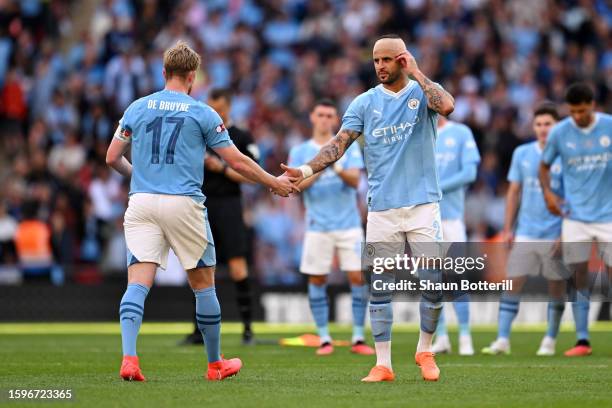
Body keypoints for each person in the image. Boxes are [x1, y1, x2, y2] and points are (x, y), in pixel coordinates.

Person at [106, 41, 297, 382]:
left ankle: (130, 359)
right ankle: (214, 364)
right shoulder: (201, 112)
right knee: (203, 284)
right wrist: (274, 182)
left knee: (137, 283)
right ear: (192, 77)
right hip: (184, 203)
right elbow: (237, 160)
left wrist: (142, 177)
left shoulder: (137, 107)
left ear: (164, 72)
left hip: (142, 202)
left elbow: (111, 157)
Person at [280, 34, 454, 382]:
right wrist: (305, 170)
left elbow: (447, 105)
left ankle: (425, 349)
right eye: (376, 60)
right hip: (382, 210)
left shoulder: (422, 94)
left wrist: (418, 73)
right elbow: (338, 145)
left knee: (434, 284)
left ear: (402, 60)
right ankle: (383, 364)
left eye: (387, 60)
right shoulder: (363, 103)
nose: (379, 66)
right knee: (380, 287)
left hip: (423, 205)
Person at [288, 99, 374, 356]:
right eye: (320, 114)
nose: (325, 119)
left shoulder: (347, 147)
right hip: (317, 225)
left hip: (348, 223)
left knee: (357, 277)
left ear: (336, 120)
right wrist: (319, 166)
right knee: (317, 278)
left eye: (329, 115)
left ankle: (358, 337)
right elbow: (296, 186)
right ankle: (324, 338)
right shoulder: (300, 151)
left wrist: (332, 162)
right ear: (312, 118)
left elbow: (354, 180)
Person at [482, 102, 568, 356]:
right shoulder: (522, 153)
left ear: (556, 127)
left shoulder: (566, 155)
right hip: (527, 230)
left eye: (548, 124)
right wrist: (508, 228)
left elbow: (573, 197)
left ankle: (550, 340)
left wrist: (566, 232)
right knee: (513, 283)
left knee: (556, 287)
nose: (543, 129)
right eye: (539, 124)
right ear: (533, 126)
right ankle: (502, 339)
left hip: (555, 230)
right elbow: (514, 192)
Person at [181, 88, 259, 346]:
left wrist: (221, 167)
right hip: (202, 204)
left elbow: (250, 175)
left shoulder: (241, 136)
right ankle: (197, 331)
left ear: (228, 107)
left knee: (237, 265)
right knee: (199, 266)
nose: (215, 113)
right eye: (211, 109)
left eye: (219, 109)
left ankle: (248, 329)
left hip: (229, 205)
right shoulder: (201, 136)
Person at [539, 83, 612, 357]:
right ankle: (582, 340)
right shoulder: (560, 132)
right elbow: (544, 166)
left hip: (608, 215)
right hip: (576, 216)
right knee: (578, 277)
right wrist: (548, 194)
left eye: (582, 111)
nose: (577, 116)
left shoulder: (609, 126)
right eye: (573, 112)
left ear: (593, 105)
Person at [431, 115, 480, 355]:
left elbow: (469, 173)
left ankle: (465, 336)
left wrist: (436, 188)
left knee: (457, 278)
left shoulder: (461, 133)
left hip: (451, 217)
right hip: (424, 218)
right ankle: (441, 337)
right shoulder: (418, 131)